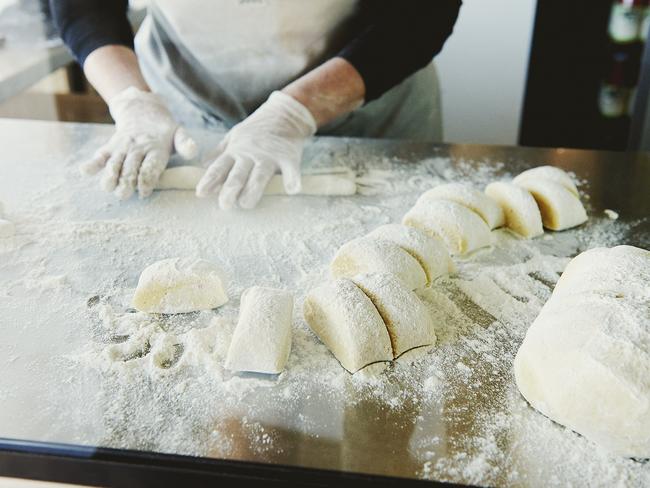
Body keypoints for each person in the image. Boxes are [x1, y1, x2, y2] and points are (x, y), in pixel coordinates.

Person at [52, 0, 461, 209]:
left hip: (368, 103)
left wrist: (297, 110)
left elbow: (420, 14)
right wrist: (131, 100)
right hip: (187, 107)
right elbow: (83, 5)